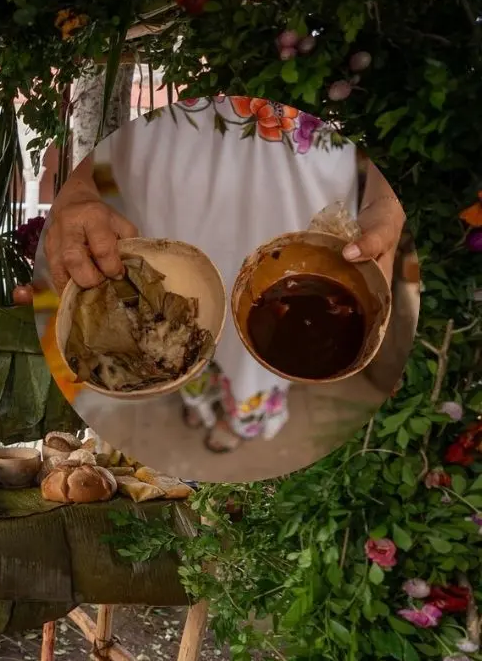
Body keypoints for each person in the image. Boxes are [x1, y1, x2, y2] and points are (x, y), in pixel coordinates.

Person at [42, 96, 405, 454]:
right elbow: (97, 107)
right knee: (178, 311)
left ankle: (242, 414)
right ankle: (196, 391)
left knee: (272, 336)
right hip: (170, 174)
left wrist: (386, 202)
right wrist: (76, 188)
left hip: (300, 179)